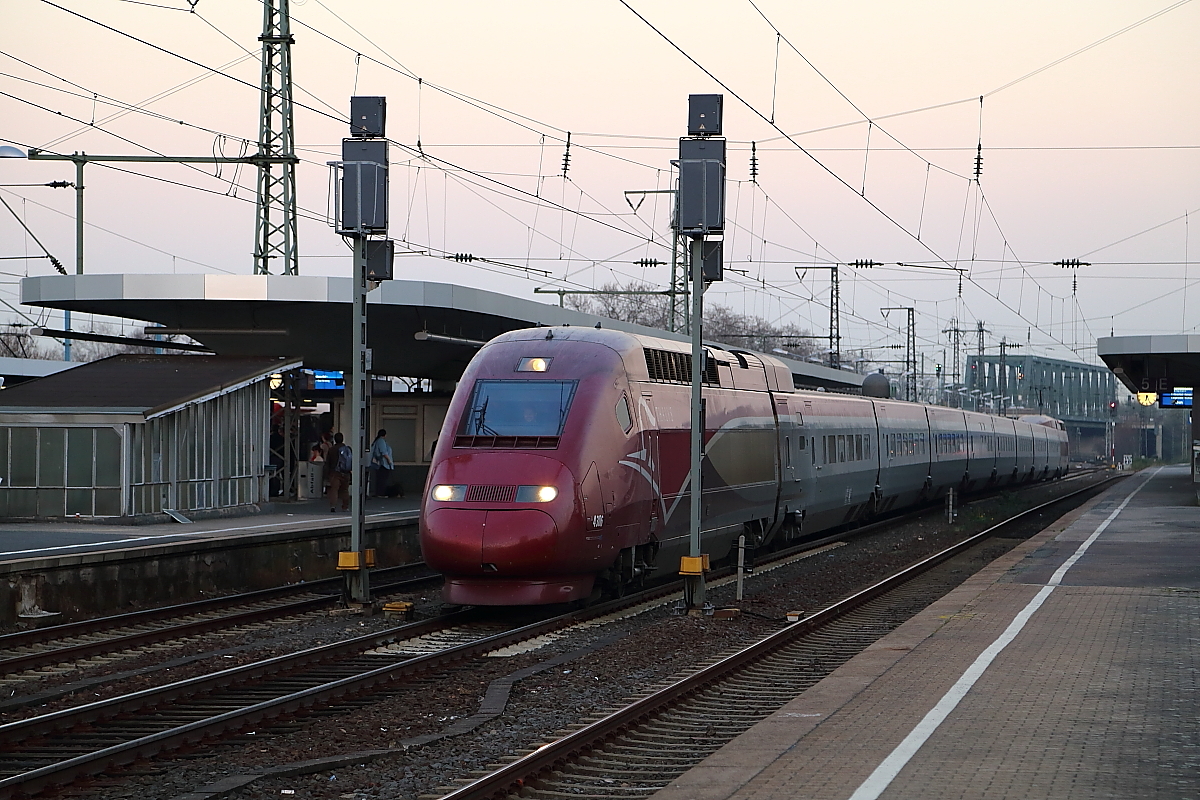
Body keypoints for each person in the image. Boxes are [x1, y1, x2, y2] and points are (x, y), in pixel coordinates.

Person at [324, 432, 352, 512]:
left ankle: (333, 506)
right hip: (346, 472)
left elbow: (328, 463)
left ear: (335, 440)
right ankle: (345, 506)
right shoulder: (347, 449)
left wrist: (327, 475)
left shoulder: (332, 449)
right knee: (345, 490)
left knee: (334, 489)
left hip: (335, 473)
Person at [369, 429, 394, 497]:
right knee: (383, 479)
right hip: (384, 463)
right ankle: (381, 492)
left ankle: (379, 492)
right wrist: (389, 460)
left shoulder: (378, 441)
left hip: (381, 463)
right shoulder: (381, 441)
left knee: (380, 478)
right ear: (385, 435)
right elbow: (384, 452)